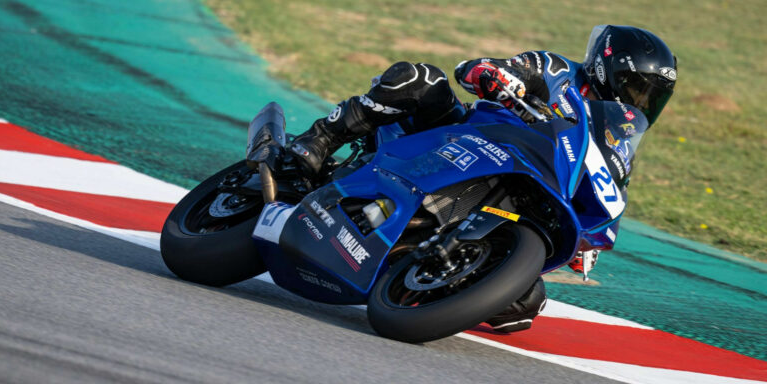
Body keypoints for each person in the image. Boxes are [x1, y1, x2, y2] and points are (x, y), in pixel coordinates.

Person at [283, 25, 677, 333]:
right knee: (421, 79)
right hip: (464, 137)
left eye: (651, 97)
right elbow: (476, 69)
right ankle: (319, 140)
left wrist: (589, 238)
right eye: (636, 88)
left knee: (523, 307)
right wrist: (498, 75)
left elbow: (610, 184)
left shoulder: (617, 133)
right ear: (608, 67)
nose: (640, 102)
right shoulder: (557, 70)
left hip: (520, 183)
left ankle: (416, 269)